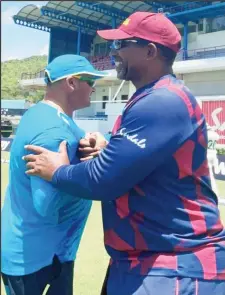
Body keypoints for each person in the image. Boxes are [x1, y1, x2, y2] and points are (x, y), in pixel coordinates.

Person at [23, 12, 225, 295]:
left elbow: (102, 180)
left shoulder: (162, 101)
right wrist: (107, 145)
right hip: (145, 258)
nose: (112, 52)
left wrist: (57, 171)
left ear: (150, 51)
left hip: (173, 264)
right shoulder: (153, 96)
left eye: (121, 44)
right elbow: (142, 161)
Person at [1, 54, 108, 295]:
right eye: (90, 81)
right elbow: (46, 205)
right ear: (71, 83)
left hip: (44, 252)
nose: (94, 88)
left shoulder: (47, 115)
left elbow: (80, 139)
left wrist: (102, 140)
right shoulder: (52, 132)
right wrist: (77, 175)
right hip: (37, 259)